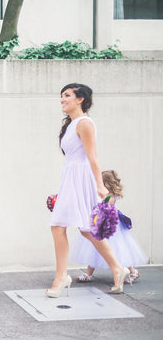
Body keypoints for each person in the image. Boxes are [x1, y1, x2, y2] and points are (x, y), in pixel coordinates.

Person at [48, 83, 130, 297]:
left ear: (80, 99)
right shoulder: (72, 124)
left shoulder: (84, 123)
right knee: (85, 228)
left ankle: (61, 277)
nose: (62, 99)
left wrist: (100, 186)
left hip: (81, 178)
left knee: (58, 226)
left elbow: (92, 157)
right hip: (71, 177)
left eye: (67, 95)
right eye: (61, 96)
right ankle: (117, 268)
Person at [70, 170, 148, 283]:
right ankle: (88, 274)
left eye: (100, 182)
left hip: (111, 228)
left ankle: (133, 271)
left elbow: (103, 206)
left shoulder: (110, 197)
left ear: (107, 184)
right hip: (100, 225)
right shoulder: (104, 195)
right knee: (94, 247)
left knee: (119, 250)